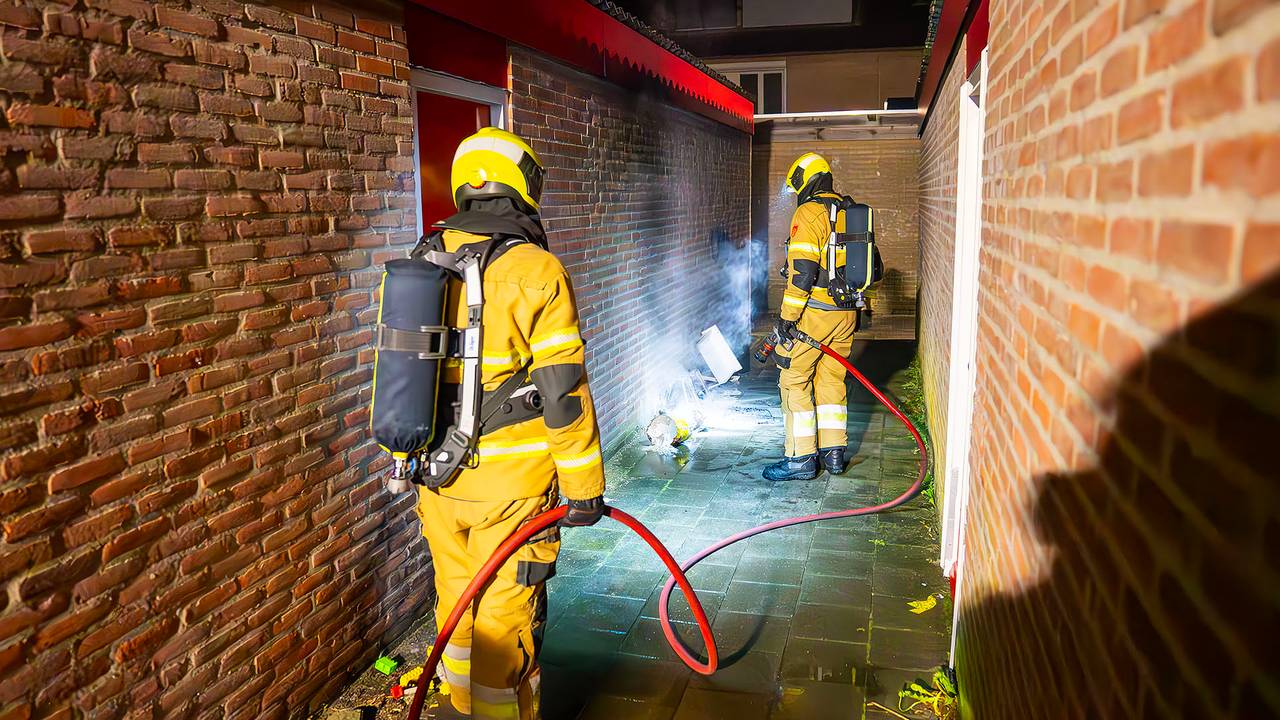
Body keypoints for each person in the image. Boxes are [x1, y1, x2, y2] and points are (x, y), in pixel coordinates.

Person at [417, 128, 605, 719]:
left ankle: (457, 708)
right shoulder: (537, 270)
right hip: (512, 491)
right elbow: (563, 393)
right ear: (521, 184)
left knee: (456, 606)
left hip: (435, 480)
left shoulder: (421, 261)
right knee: (504, 619)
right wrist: (584, 488)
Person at [763, 152, 871, 481]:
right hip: (847, 313)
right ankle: (834, 453)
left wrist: (787, 316)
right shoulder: (849, 210)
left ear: (807, 182)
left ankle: (801, 459)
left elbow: (803, 271)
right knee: (831, 380)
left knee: (793, 381)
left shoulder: (809, 212)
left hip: (816, 314)